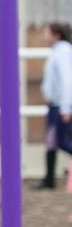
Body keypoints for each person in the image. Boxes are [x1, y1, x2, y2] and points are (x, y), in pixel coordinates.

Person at [41, 23, 72, 189]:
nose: (44, 35)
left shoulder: (63, 53)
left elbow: (67, 81)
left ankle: (49, 179)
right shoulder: (57, 52)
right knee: (51, 142)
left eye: (47, 32)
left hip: (60, 105)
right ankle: (49, 179)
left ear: (56, 34)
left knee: (61, 141)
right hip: (56, 104)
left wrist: (66, 108)